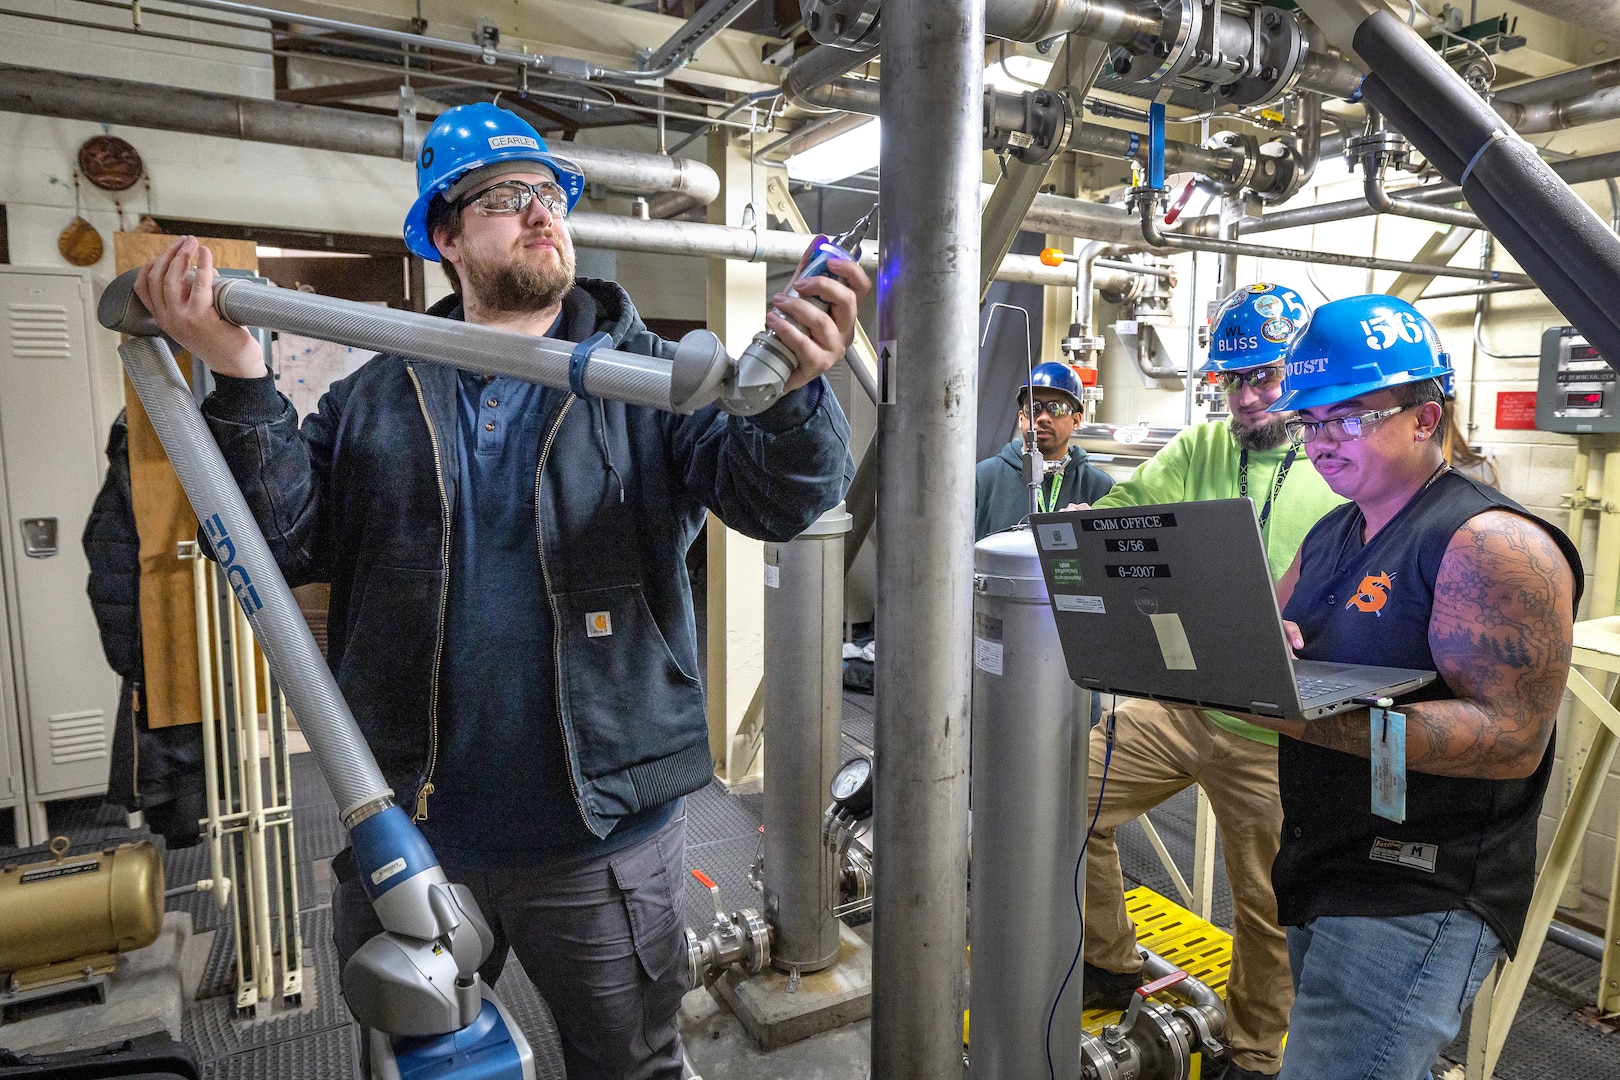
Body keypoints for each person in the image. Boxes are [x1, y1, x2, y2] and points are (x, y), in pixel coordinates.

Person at [132, 101, 868, 1079]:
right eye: (507, 197)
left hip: (601, 841)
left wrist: (792, 394)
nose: (542, 213)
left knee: (631, 1065)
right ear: (445, 232)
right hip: (403, 830)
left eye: (553, 194)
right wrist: (240, 377)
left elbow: (782, 499)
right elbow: (281, 542)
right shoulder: (378, 391)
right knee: (423, 1066)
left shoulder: (646, 380)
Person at [1252, 295, 1580, 1080]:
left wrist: (1292, 710)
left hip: (1415, 889)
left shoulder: (1490, 544)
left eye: (1345, 419)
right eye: (1309, 423)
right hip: (1325, 860)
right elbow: (1275, 633)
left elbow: (1510, 739)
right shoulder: (1338, 529)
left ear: (1425, 417)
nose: (1321, 442)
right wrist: (1261, 650)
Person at [1079, 283, 1344, 1080]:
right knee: (1069, 794)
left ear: (1299, 374)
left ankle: (1255, 1052)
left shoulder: (1335, 465)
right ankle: (1111, 956)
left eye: (1264, 377)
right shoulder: (1201, 449)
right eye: (1233, 382)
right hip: (1185, 704)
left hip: (1280, 731)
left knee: (1263, 906)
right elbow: (1118, 514)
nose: (1246, 397)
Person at [83, 409, 206, 848]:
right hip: (168, 654)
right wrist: (137, 663)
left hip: (173, 653)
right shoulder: (150, 439)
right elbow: (112, 561)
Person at [974, 361, 1113, 540]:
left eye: (1057, 408)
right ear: (1021, 418)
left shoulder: (1099, 487)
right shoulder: (984, 479)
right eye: (1034, 407)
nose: (1044, 417)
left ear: (1076, 421)